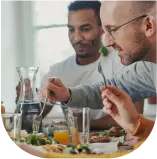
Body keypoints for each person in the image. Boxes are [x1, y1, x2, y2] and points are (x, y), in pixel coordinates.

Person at [16, 0, 144, 131]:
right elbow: (31, 121)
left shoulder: (124, 61)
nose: (77, 37)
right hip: (71, 149)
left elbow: (136, 116)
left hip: (119, 146)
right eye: (71, 29)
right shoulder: (57, 71)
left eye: (85, 29)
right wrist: (25, 100)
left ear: (102, 28)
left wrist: (79, 124)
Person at [41, 0, 157, 143]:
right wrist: (67, 95)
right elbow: (110, 88)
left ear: (148, 26)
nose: (107, 42)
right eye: (105, 31)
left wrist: (137, 126)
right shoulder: (148, 70)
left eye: (113, 29)